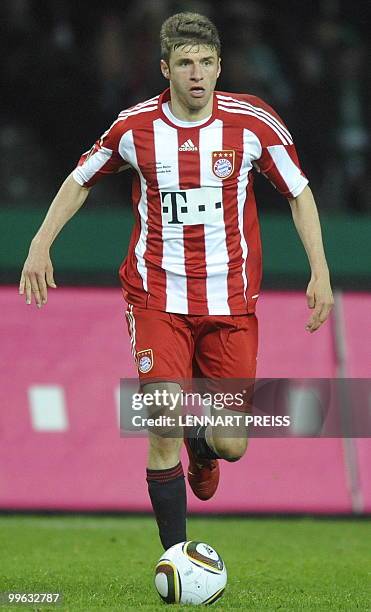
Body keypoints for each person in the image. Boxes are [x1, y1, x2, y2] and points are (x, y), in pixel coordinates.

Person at [19, 12, 334, 550]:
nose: (197, 74)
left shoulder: (252, 123)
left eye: (206, 63)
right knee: (162, 416)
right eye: (185, 63)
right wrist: (40, 243)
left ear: (219, 67)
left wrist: (320, 271)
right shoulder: (134, 127)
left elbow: (299, 193)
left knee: (233, 444)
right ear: (165, 68)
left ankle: (204, 445)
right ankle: (176, 558)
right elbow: (79, 180)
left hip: (230, 302)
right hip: (156, 296)